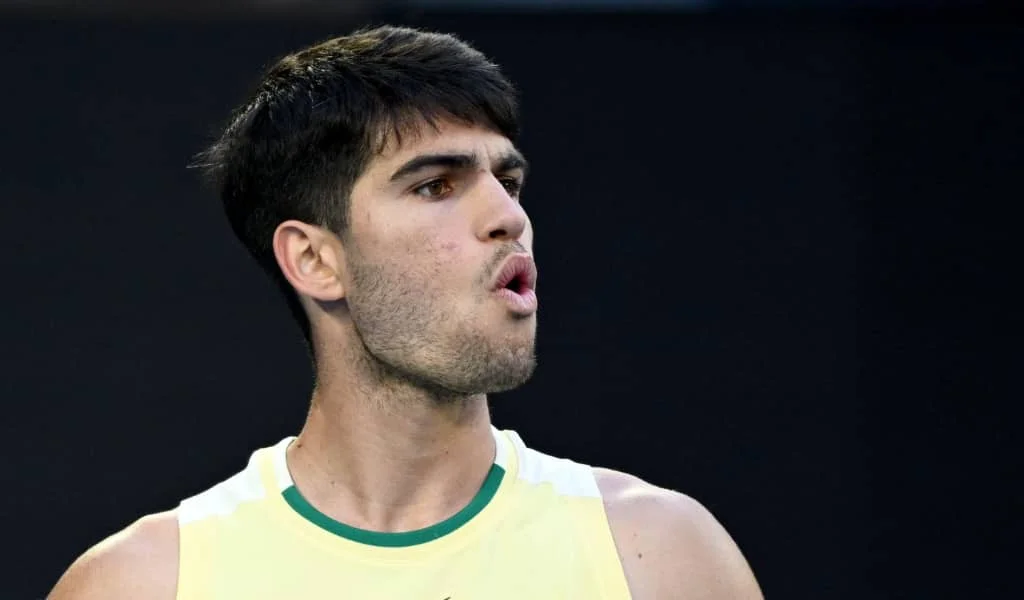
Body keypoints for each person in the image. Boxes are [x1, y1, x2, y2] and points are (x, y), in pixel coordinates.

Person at [48, 25, 763, 600]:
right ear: (315, 261)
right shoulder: (144, 584)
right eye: (435, 186)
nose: (508, 217)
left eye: (508, 180)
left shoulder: (663, 558)